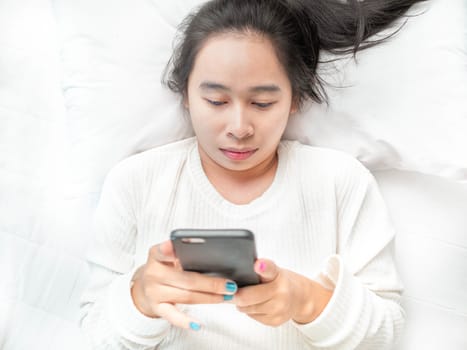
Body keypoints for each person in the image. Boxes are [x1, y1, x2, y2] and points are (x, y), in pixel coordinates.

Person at [80, 0, 424, 349]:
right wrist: (140, 299)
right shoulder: (135, 182)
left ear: (295, 98)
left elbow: (385, 332)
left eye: (262, 104)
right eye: (216, 101)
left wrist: (305, 300)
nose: (239, 128)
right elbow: (93, 334)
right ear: (186, 94)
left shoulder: (340, 181)